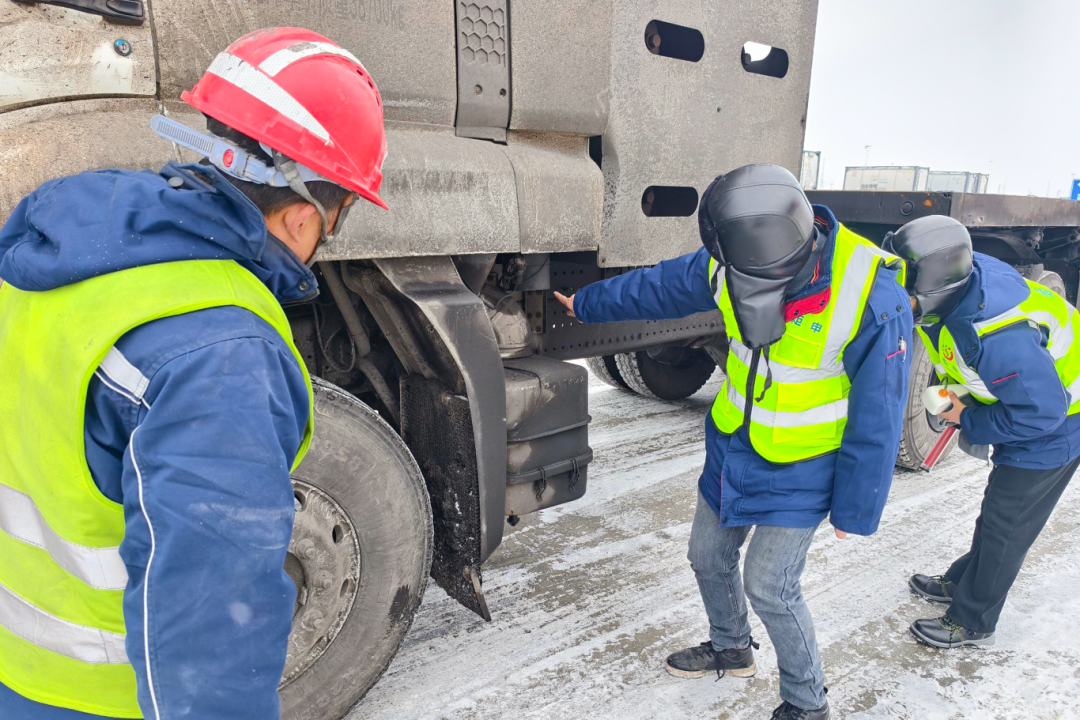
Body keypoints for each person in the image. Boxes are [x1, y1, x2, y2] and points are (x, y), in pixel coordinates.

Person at [0, 28, 387, 719]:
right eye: (341, 213)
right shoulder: (223, 351)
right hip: (96, 696)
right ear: (305, 217)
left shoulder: (64, 242)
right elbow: (210, 629)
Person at [555, 164, 913, 720]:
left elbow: (881, 412)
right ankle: (731, 646)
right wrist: (589, 304)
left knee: (771, 587)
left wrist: (856, 507)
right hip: (734, 446)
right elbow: (661, 286)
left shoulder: (868, 295)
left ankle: (806, 701)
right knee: (706, 557)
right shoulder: (734, 258)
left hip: (806, 464)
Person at [883, 216, 1080, 649]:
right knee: (994, 515)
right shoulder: (957, 281)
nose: (904, 308)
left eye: (910, 300)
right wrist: (952, 395)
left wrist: (966, 419)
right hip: (1032, 403)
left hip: (1056, 425)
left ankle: (973, 620)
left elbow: (1042, 414)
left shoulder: (1001, 338)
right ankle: (961, 582)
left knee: (1007, 526)